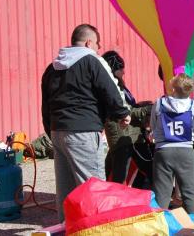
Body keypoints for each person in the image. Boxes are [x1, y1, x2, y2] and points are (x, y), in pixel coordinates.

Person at [41, 24, 130, 221]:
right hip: (83, 132)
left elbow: (45, 105)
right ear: (89, 43)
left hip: (58, 131)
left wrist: (51, 131)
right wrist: (122, 113)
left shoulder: (53, 67)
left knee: (66, 193)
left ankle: (66, 229)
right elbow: (110, 89)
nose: (99, 48)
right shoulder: (91, 60)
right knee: (93, 189)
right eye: (98, 44)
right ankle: (95, 230)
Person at [150, 73, 194, 213]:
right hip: (186, 150)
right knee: (189, 190)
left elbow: (153, 125)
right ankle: (192, 220)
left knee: (162, 191)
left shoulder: (159, 103)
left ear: (173, 89)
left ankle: (161, 221)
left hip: (163, 150)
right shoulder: (192, 105)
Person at [102, 50, 153, 188]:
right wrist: (147, 109)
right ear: (113, 69)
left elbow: (128, 107)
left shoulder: (118, 85)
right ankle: (114, 198)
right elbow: (122, 109)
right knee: (119, 174)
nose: (123, 72)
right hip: (122, 134)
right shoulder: (110, 86)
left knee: (147, 167)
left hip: (131, 134)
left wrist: (141, 106)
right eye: (120, 68)